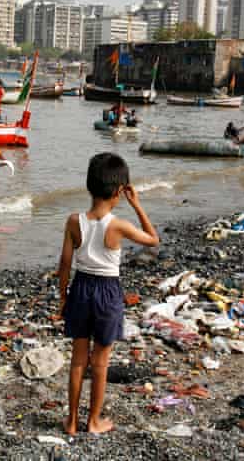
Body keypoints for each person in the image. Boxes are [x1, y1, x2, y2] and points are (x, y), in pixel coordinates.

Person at [57, 153, 160, 435]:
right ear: (118, 192)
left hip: (80, 287)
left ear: (89, 185)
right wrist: (137, 205)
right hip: (107, 292)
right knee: (100, 361)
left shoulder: (73, 221)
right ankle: (93, 421)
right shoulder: (118, 225)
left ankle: (72, 422)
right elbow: (153, 240)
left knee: (78, 360)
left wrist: (63, 296)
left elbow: (65, 263)